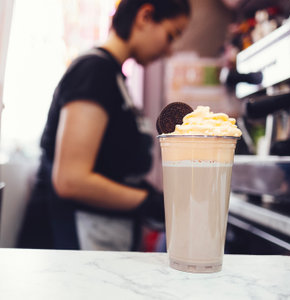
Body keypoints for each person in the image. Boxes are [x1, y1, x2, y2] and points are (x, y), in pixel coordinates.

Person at [18, 0, 190, 251]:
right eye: (171, 35)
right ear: (145, 16)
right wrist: (148, 202)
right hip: (71, 240)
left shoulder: (114, 76)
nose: (169, 50)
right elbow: (70, 180)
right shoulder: (94, 71)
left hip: (98, 234)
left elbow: (110, 166)